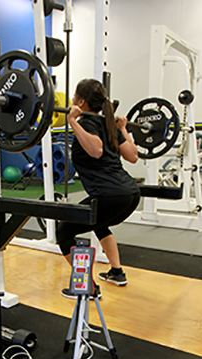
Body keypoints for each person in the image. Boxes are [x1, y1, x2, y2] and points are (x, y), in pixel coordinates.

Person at [56, 78, 140, 299]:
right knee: (99, 224)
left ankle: (87, 287)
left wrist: (73, 122)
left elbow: (96, 150)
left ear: (81, 102)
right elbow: (132, 155)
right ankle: (116, 272)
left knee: (64, 231)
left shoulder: (84, 123)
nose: (72, 101)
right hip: (130, 195)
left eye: (74, 97)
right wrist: (122, 128)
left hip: (110, 195)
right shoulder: (108, 124)